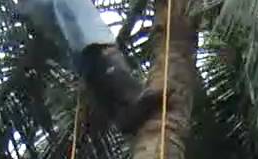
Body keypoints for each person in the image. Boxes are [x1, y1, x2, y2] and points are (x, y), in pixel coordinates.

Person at [17, 0, 162, 134]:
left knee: (90, 59)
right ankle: (130, 99)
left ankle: (122, 114)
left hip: (81, 53)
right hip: (89, 44)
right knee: (96, 46)